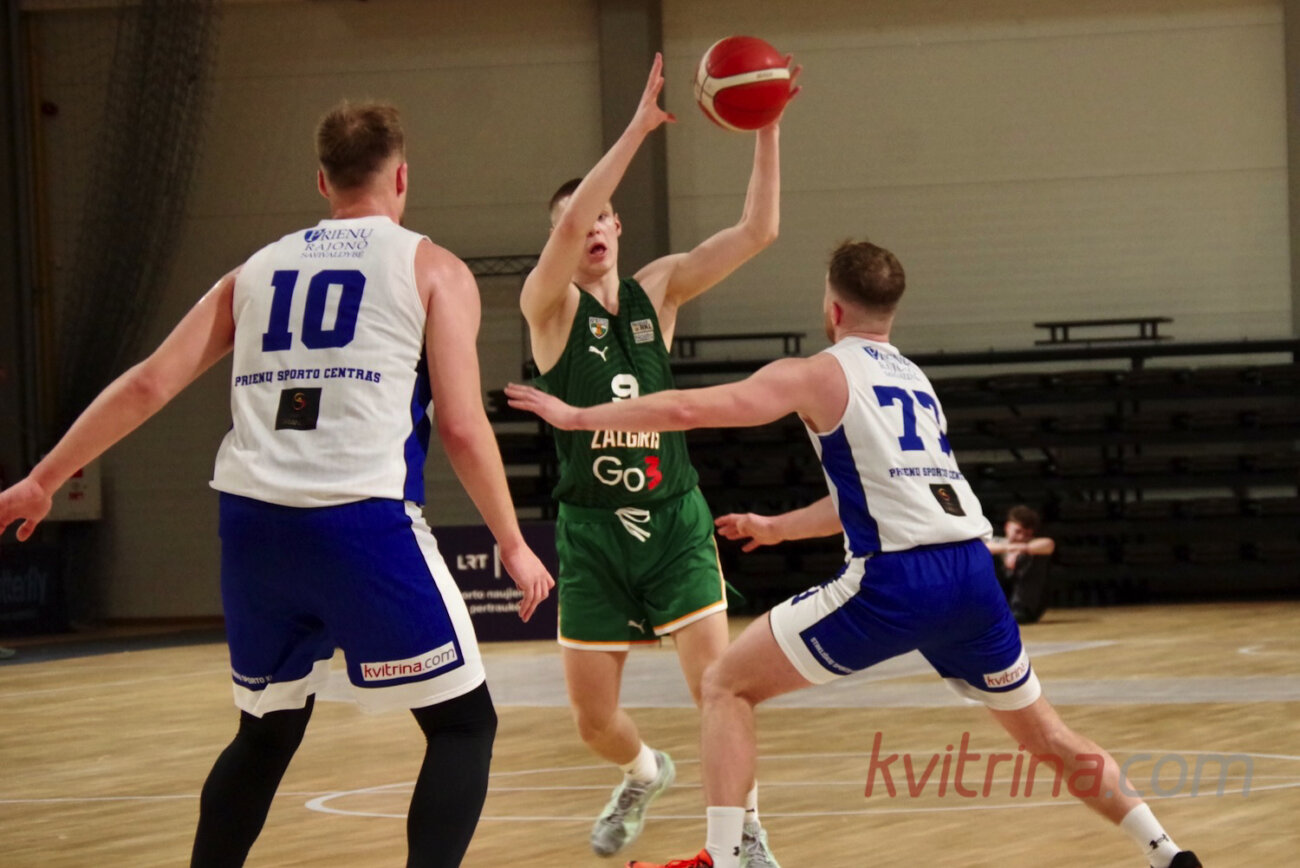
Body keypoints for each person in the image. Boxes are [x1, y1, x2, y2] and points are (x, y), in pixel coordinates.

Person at [505, 239, 1201, 868]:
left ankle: (721, 857)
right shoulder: (916, 382)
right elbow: (873, 493)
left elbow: (688, 409)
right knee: (1049, 737)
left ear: (832, 308)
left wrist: (578, 416)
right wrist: (779, 528)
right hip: (972, 576)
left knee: (725, 685)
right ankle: (1166, 852)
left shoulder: (820, 373)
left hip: (898, 580)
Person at [0, 101, 554, 868]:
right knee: (464, 726)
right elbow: (461, 426)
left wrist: (43, 478)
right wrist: (513, 543)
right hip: (360, 521)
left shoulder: (254, 271)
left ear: (322, 181)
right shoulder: (434, 269)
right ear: (402, 177)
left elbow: (149, 383)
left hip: (253, 526)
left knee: (266, 732)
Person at [519, 53, 795, 864]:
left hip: (673, 521)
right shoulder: (546, 307)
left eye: (604, 217)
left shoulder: (659, 291)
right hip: (592, 533)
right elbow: (570, 224)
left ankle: (748, 836)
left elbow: (758, 232)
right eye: (579, 220)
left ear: (619, 228)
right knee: (592, 720)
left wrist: (767, 126)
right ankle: (643, 772)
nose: (593, 227)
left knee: (721, 690)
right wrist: (638, 129)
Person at [985, 504, 1056, 623]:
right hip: (1001, 597)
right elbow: (982, 547)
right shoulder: (997, 542)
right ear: (1007, 527)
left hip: (1027, 601)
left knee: (1035, 556)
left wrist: (1021, 551)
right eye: (1018, 531)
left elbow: (1049, 544)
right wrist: (1009, 549)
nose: (1021, 537)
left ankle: (1021, 609)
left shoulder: (1033, 544)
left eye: (1026, 534)